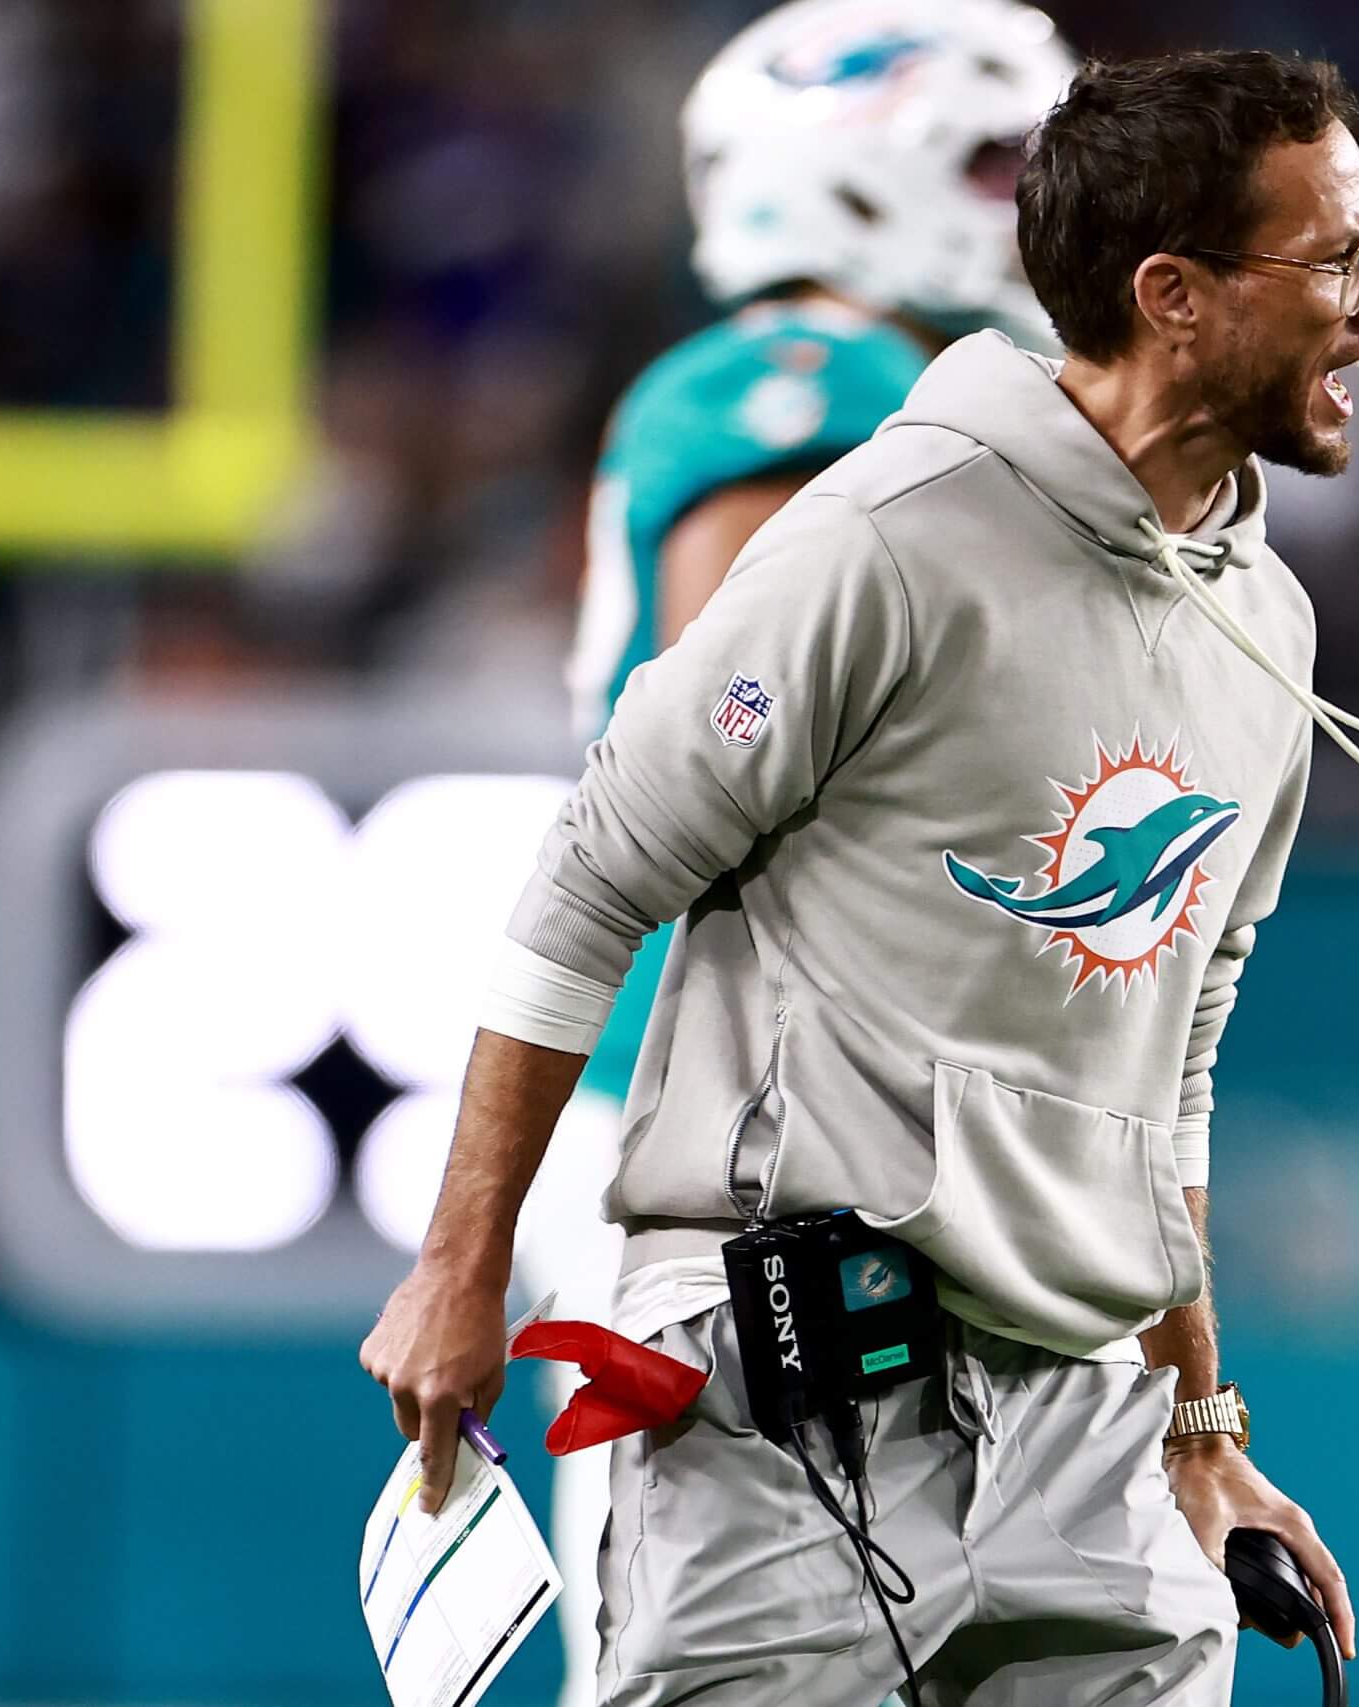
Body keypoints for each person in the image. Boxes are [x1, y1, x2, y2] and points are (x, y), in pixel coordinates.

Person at [368, 46, 1359, 1704]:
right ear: (1174, 296)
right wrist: (462, 1263)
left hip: (1088, 1418)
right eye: (1336, 261)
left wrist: (1202, 1425)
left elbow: (1175, 1070)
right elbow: (599, 863)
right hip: (786, 1382)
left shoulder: (1263, 621)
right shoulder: (882, 518)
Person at [535, 4, 1072, 1698]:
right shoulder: (814, 388)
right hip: (749, 1141)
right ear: (848, 170)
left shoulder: (929, 396)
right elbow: (742, 781)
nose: (1038, 203)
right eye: (998, 162)